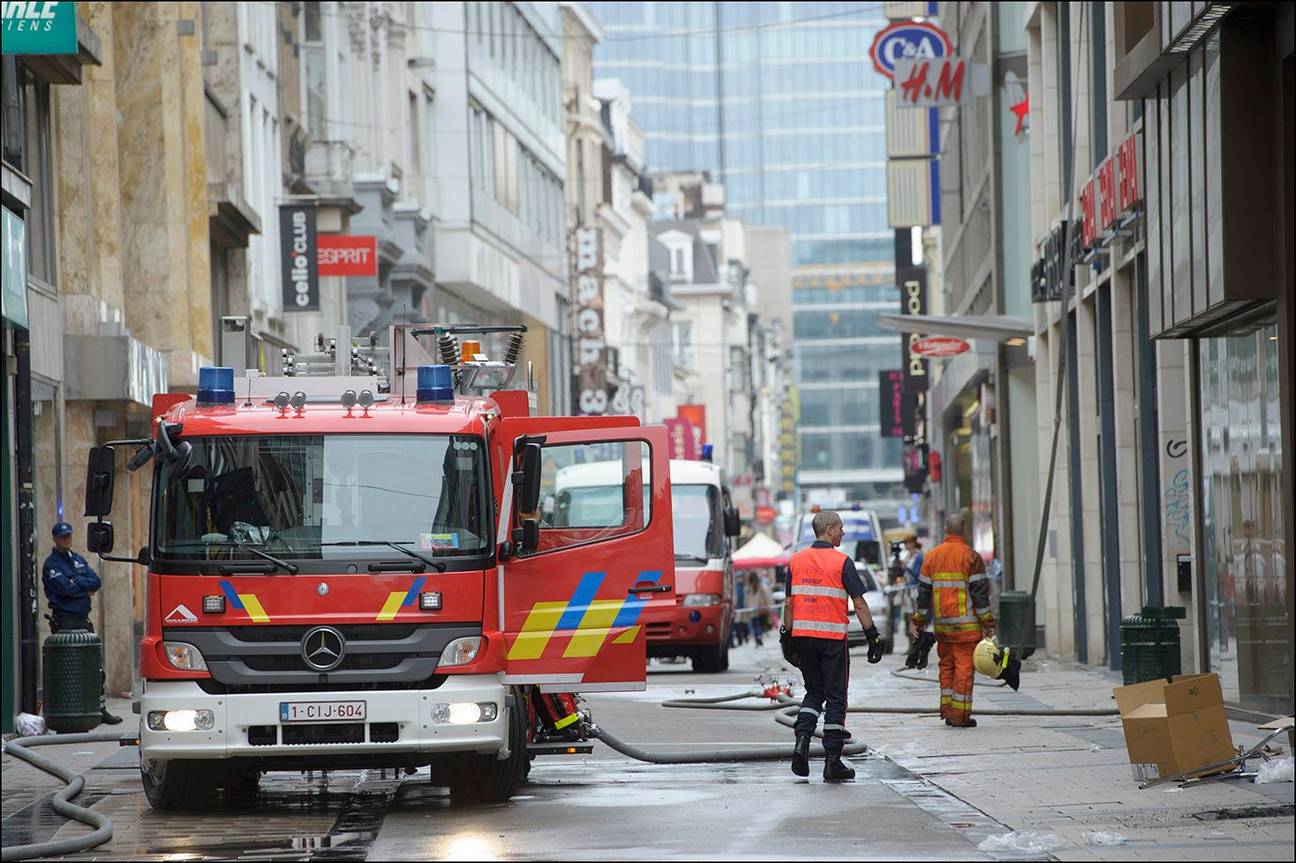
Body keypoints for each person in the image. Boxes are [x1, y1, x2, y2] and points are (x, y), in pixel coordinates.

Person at [786, 510, 883, 781]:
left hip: (803, 638)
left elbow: (789, 604)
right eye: (840, 527)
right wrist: (872, 635)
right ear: (829, 530)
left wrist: (786, 635)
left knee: (814, 692)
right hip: (832, 640)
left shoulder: (796, 561)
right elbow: (859, 603)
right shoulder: (842, 562)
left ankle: (802, 741)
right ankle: (832, 761)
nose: (843, 532)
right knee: (836, 697)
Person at [909, 512, 994, 729]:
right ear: (963, 530)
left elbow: (923, 595)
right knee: (964, 670)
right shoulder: (971, 557)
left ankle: (947, 711)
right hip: (967, 630)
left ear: (946, 530)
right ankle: (959, 716)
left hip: (943, 628)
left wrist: (917, 621)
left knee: (946, 667)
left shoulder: (931, 556)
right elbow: (980, 596)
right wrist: (988, 624)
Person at [42, 522, 123, 725]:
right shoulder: (51, 565)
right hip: (65, 621)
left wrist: (75, 581)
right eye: (62, 537)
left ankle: (99, 709)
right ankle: (72, 711)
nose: (66, 540)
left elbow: (96, 582)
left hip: (82, 620)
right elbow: (65, 590)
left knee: (95, 667)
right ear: (55, 539)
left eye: (68, 536)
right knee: (69, 668)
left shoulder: (77, 559)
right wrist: (83, 589)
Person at [747, 571, 772, 647]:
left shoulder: (748, 587)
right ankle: (759, 637)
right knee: (759, 625)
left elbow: (747, 599)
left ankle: (757, 639)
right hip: (760, 608)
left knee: (755, 625)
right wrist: (768, 606)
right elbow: (766, 596)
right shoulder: (760, 586)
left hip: (752, 609)